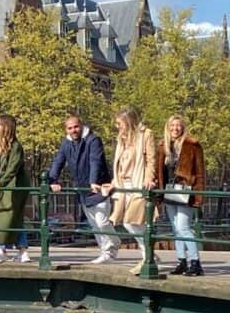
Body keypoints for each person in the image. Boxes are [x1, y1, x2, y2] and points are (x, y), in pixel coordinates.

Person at [49, 114, 120, 264]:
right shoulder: (66, 144)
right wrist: (52, 180)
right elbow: (58, 161)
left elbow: (96, 161)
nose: (73, 130)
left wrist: (93, 181)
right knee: (94, 224)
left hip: (99, 188)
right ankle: (106, 252)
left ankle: (113, 244)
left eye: (76, 127)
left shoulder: (93, 140)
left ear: (81, 126)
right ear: (66, 130)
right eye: (70, 128)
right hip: (82, 190)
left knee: (101, 221)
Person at [108, 106, 157, 275]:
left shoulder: (146, 134)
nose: (117, 126)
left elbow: (151, 159)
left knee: (132, 222)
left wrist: (149, 178)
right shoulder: (121, 138)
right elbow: (119, 163)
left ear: (128, 122)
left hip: (138, 183)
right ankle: (149, 255)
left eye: (119, 123)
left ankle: (147, 257)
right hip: (123, 184)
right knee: (127, 222)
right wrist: (113, 182)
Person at [156, 115, 205, 276]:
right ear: (167, 128)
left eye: (178, 126)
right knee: (176, 228)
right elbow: (159, 171)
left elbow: (199, 172)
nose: (175, 129)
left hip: (185, 191)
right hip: (169, 191)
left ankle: (195, 262)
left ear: (182, 128)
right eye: (172, 126)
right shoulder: (164, 146)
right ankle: (181, 261)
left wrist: (198, 194)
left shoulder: (192, 145)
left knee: (184, 227)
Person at [0, 115, 29, 263]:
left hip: (15, 185)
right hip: (5, 185)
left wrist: (1, 183)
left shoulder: (16, 146)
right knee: (13, 218)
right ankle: (22, 251)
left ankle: (2, 249)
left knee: (6, 215)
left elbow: (13, 168)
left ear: (6, 126)